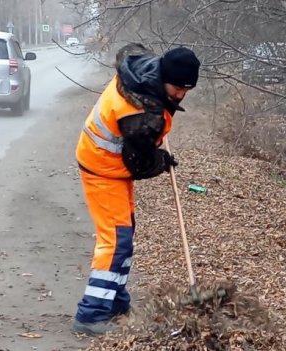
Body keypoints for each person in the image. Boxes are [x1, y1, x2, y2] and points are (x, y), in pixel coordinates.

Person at [71, 44, 201, 335]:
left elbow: (131, 50)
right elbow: (140, 164)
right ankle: (91, 314)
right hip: (103, 167)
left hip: (111, 167)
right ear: (164, 76)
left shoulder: (143, 71)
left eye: (186, 89)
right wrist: (160, 161)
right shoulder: (141, 116)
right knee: (116, 241)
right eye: (177, 88)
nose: (181, 94)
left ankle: (116, 302)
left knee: (125, 234)